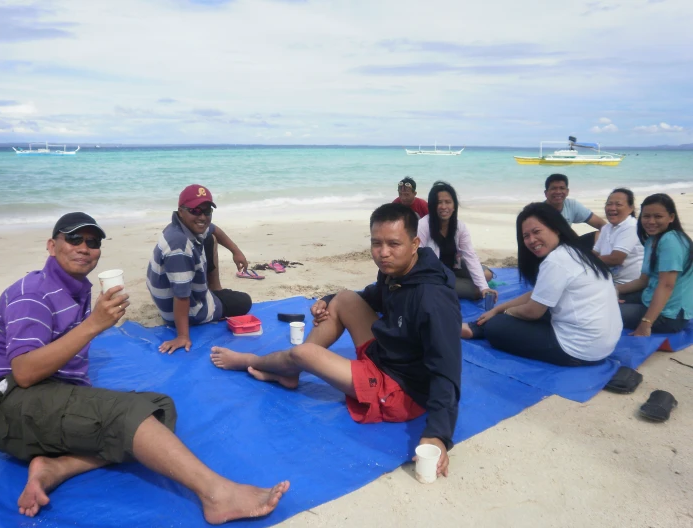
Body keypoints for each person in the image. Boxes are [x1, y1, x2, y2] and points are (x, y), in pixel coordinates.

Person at [0, 212, 288, 522]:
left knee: (159, 408)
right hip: (7, 402)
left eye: (93, 242)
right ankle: (218, 496)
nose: (84, 247)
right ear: (52, 246)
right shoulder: (32, 292)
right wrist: (94, 324)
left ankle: (57, 468)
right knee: (126, 414)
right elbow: (24, 372)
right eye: (74, 238)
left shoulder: (73, 291)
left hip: (40, 398)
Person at [211, 203, 461, 479]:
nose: (383, 253)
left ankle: (255, 361)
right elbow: (374, 295)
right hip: (387, 355)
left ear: (415, 244)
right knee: (344, 298)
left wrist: (438, 435)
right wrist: (328, 301)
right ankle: (290, 370)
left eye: (393, 244)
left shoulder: (433, 299)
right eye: (376, 243)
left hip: (401, 389)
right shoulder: (396, 272)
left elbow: (447, 371)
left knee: (305, 353)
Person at [461, 203, 622, 366]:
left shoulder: (556, 260)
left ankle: (476, 328)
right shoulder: (576, 251)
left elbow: (533, 312)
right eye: (526, 236)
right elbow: (538, 295)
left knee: (496, 326)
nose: (531, 240)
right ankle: (475, 327)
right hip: (604, 344)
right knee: (513, 314)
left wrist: (504, 313)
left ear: (555, 229)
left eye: (537, 232)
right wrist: (497, 309)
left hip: (578, 350)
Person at [147, 185, 252, 354]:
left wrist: (236, 252)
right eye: (195, 211)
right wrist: (182, 336)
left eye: (207, 211)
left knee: (210, 239)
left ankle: (215, 290)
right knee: (244, 301)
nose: (202, 216)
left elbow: (214, 229)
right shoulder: (179, 247)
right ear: (181, 211)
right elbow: (181, 297)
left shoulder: (180, 227)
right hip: (182, 311)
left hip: (175, 295)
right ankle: (214, 300)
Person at [615, 193, 692, 336]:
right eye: (646, 216)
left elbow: (667, 285)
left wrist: (646, 323)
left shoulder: (671, 241)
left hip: (669, 316)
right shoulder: (653, 240)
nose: (651, 221)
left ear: (671, 217)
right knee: (604, 300)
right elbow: (643, 281)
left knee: (603, 311)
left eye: (658, 216)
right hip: (649, 296)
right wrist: (614, 289)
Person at [417, 181, 496, 300]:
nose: (444, 207)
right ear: (432, 206)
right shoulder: (423, 225)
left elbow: (470, 256)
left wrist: (484, 287)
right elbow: (417, 258)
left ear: (454, 206)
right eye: (439, 202)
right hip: (436, 275)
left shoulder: (459, 226)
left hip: (454, 267)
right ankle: (447, 287)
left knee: (487, 275)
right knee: (477, 292)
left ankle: (459, 283)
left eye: (448, 202)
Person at [593, 188, 644, 284]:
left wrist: (587, 261)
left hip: (629, 285)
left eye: (618, 204)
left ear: (631, 208)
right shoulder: (607, 228)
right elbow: (595, 252)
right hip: (609, 282)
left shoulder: (631, 226)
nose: (612, 208)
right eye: (609, 204)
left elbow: (616, 259)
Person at [544, 174, 605, 249]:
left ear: (567, 191)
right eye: (553, 188)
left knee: (600, 235)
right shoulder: (539, 211)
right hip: (549, 249)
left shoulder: (571, 205)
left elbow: (601, 224)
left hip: (570, 246)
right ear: (546, 193)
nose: (558, 192)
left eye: (562, 188)